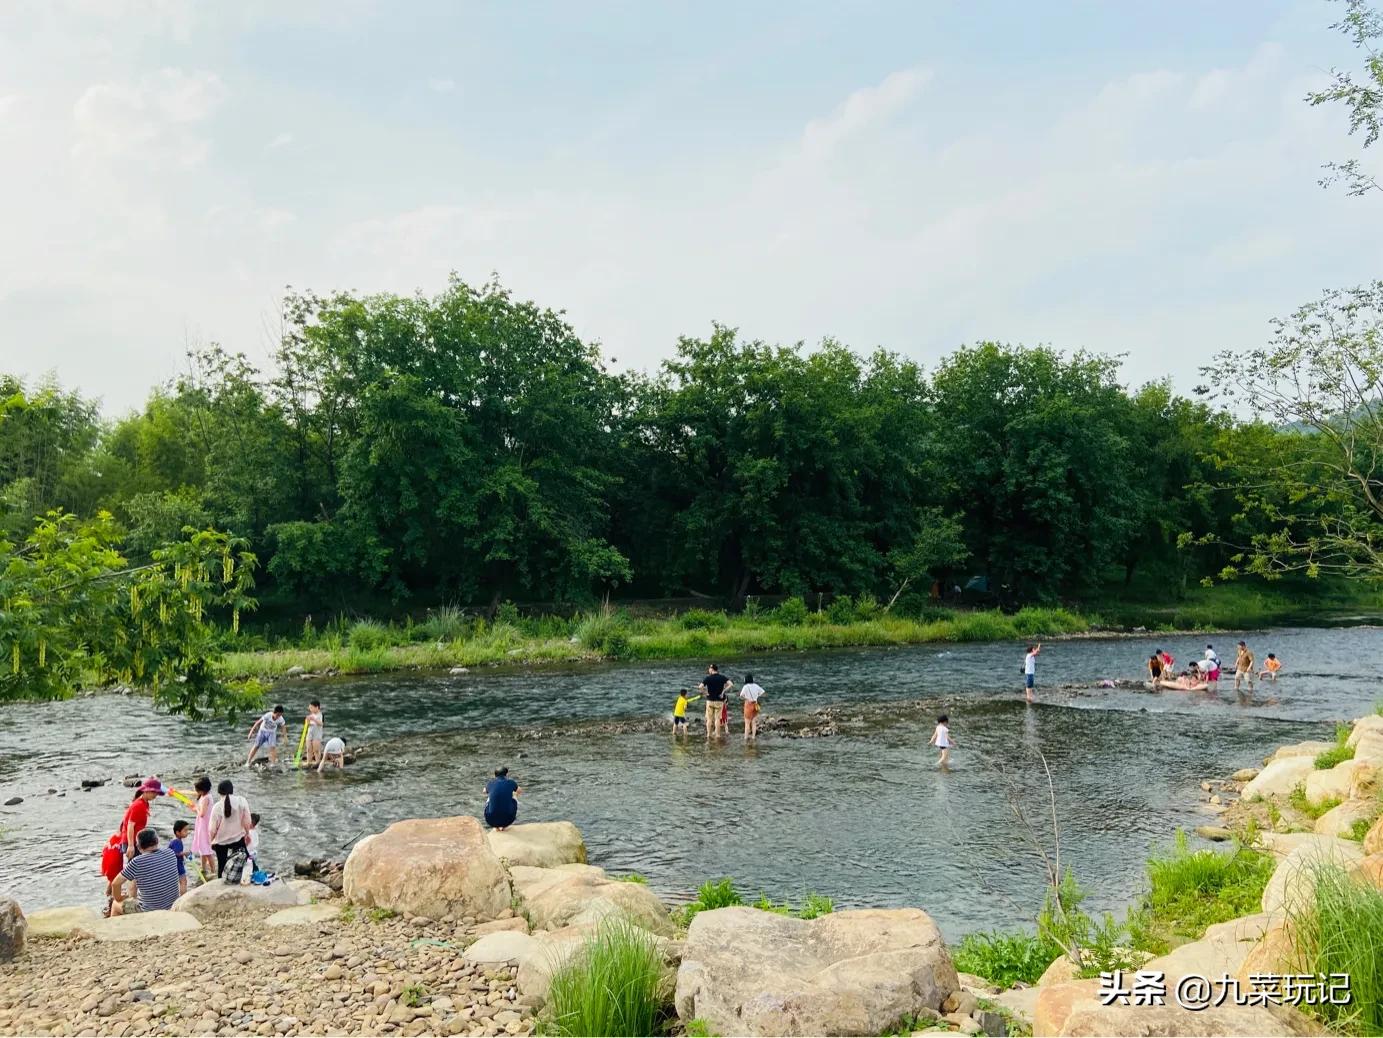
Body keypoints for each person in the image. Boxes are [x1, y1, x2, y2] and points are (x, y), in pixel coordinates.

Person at [111, 828, 182, 915]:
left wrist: (119, 898)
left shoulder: (137, 862)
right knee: (136, 877)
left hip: (148, 911)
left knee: (115, 904)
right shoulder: (170, 853)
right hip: (171, 906)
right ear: (157, 841)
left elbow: (115, 883)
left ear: (138, 846)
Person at [208, 778, 252, 877]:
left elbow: (212, 829)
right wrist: (247, 833)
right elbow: (247, 820)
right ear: (232, 790)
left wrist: (211, 840)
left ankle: (221, 887)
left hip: (221, 842)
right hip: (238, 838)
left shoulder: (217, 807)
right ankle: (242, 879)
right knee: (244, 862)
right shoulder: (241, 801)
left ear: (219, 792)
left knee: (222, 866)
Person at [699, 664, 734, 738]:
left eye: (709, 668)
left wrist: (706, 693)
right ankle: (718, 735)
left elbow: (700, 687)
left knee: (709, 719)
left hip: (710, 700)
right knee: (717, 719)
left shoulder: (708, 678)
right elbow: (731, 684)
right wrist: (723, 691)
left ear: (712, 669)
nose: (709, 670)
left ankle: (709, 734)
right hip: (719, 700)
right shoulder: (722, 677)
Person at [190, 776, 215, 879]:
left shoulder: (205, 798)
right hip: (203, 825)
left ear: (202, 789)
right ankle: (203, 867)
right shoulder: (207, 796)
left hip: (204, 826)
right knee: (202, 846)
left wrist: (195, 808)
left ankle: (213, 871)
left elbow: (202, 814)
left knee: (207, 849)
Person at [483, 766, 520, 831]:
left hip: (490, 821)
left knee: (489, 797)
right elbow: (519, 791)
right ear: (506, 774)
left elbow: (484, 791)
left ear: (495, 775)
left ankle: (496, 827)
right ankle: (503, 827)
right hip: (508, 820)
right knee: (514, 795)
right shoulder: (510, 782)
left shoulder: (491, 783)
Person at [739, 673, 765, 742]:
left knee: (747, 723)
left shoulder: (745, 686)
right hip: (755, 704)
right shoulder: (756, 686)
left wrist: (746, 699)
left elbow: (741, 695)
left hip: (748, 705)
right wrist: (757, 696)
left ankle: (746, 738)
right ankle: (753, 737)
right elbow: (763, 693)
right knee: (754, 722)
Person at [169, 819, 191, 895]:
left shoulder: (175, 840)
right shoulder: (177, 841)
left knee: (180, 882)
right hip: (178, 865)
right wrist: (185, 853)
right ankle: (183, 897)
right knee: (183, 881)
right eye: (185, 830)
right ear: (178, 832)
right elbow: (176, 853)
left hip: (173, 865)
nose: (187, 833)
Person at [304, 700, 324, 767]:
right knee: (309, 749)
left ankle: (317, 762)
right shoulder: (310, 715)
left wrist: (314, 719)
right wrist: (307, 721)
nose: (310, 709)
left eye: (311, 707)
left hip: (317, 734)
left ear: (317, 707)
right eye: (309, 708)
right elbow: (307, 725)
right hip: (309, 733)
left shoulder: (320, 715)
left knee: (316, 750)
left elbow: (321, 724)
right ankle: (308, 762)